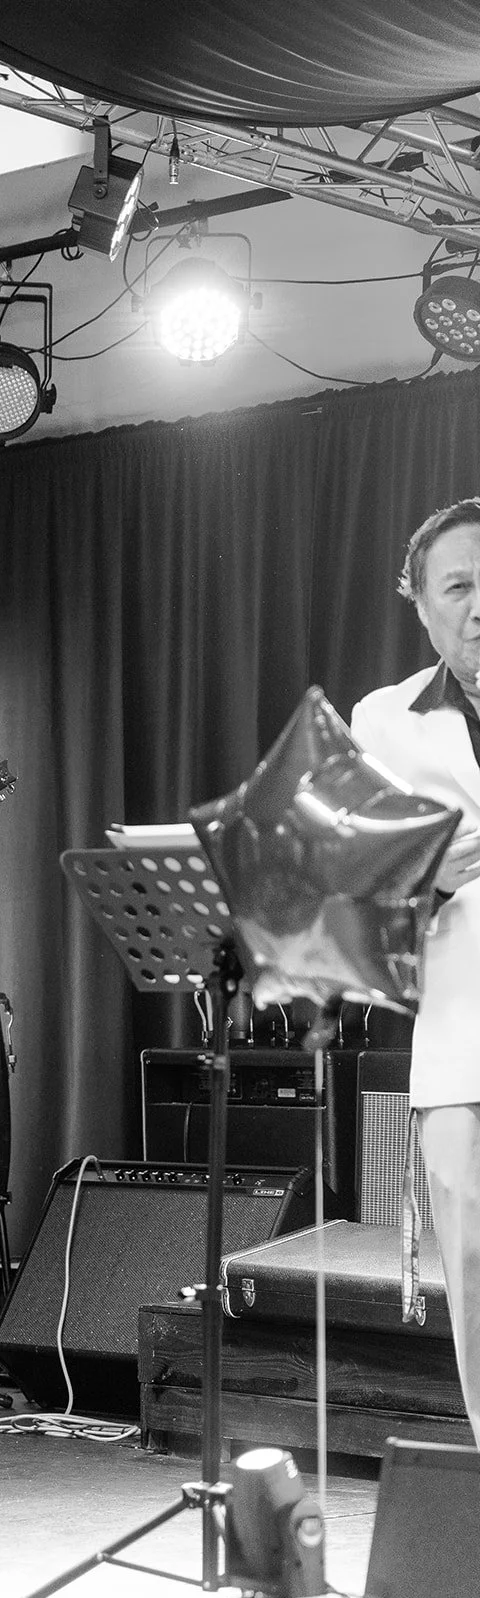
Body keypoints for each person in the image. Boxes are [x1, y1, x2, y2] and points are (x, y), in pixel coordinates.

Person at [351, 498, 480, 1449]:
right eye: (460, 586)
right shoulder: (383, 723)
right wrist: (421, 879)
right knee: (471, 1265)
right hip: (459, 1037)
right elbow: (354, 896)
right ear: (420, 605)